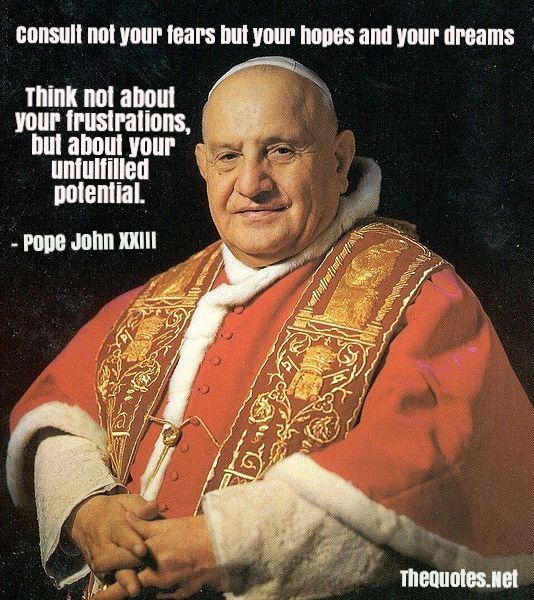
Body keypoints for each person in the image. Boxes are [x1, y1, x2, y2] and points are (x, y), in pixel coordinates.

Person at [7, 57, 534, 600]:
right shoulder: (158, 296)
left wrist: (222, 544)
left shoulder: (421, 294)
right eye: (228, 156)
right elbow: (59, 417)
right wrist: (88, 510)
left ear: (339, 160)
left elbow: (427, 471)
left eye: (281, 151)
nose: (251, 184)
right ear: (203, 166)